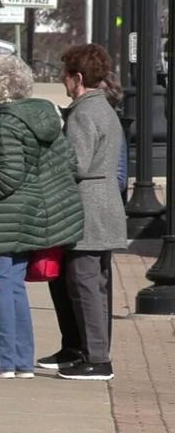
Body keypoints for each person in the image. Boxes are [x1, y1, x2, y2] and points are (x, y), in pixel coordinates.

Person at [0, 54, 84, 379]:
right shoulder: (43, 115)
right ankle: (20, 360)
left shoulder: (5, 123)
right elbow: (67, 164)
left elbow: (6, 177)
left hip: (6, 215)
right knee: (13, 286)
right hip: (34, 213)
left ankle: (3, 359)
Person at [38, 44, 126, 381]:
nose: (63, 81)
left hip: (89, 209)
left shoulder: (86, 112)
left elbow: (76, 162)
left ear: (77, 78)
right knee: (89, 283)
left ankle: (97, 358)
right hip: (100, 207)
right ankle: (84, 351)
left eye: (65, 75)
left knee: (85, 284)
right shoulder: (101, 108)